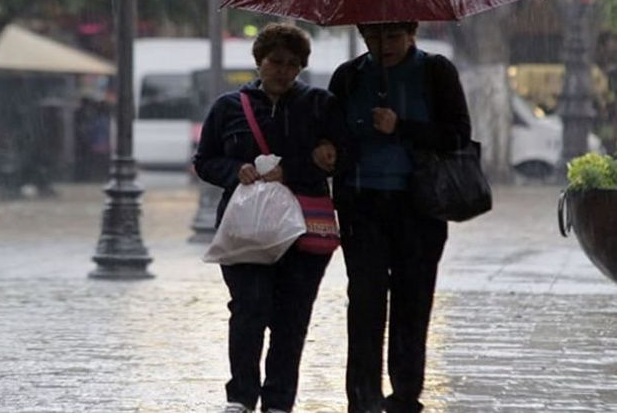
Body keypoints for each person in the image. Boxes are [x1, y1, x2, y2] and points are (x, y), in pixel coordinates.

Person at [193, 23, 347, 413]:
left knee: (292, 316)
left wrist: (292, 170)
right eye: (275, 62)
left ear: (301, 67)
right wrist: (236, 171)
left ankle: (279, 400)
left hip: (303, 229)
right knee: (249, 307)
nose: (283, 70)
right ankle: (241, 396)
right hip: (246, 228)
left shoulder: (319, 105)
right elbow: (205, 160)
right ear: (259, 62)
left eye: (292, 64)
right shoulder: (229, 108)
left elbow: (338, 161)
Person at [327, 21, 471, 413]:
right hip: (362, 205)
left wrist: (402, 127)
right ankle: (363, 397)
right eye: (373, 37)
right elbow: (330, 130)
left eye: (391, 36)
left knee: (413, 300)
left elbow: (458, 134)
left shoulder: (435, 71)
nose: (383, 45)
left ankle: (405, 394)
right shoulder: (349, 77)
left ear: (411, 34)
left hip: (419, 206)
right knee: (365, 302)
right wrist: (329, 149)